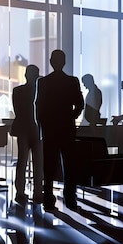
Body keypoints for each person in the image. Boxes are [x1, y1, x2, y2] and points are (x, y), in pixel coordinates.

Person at [36, 50, 84, 211]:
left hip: (50, 129)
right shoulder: (72, 81)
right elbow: (79, 104)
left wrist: (42, 124)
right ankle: (70, 198)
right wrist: (70, 117)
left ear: (51, 61)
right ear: (64, 62)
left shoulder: (43, 82)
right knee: (70, 165)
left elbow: (38, 106)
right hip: (66, 128)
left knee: (49, 165)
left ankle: (48, 198)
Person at [10, 65, 44, 204]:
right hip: (37, 130)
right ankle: (37, 192)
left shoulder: (17, 91)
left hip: (23, 129)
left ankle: (20, 192)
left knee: (22, 161)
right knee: (38, 163)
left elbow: (18, 111)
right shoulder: (40, 91)